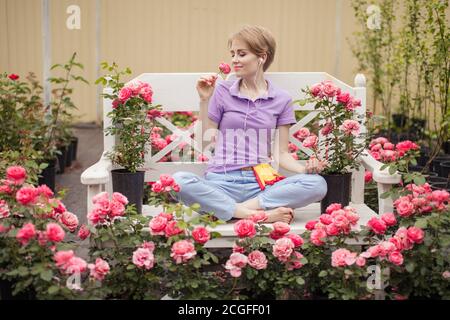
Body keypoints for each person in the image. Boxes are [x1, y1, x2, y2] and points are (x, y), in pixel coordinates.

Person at [172, 25, 328, 223]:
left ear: (262, 56)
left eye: (242, 54)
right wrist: (204, 100)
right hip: (221, 182)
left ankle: (230, 211)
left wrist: (304, 170)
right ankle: (256, 216)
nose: (234, 60)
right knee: (178, 181)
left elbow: (281, 153)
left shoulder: (282, 99)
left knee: (317, 184)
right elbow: (205, 144)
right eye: (233, 54)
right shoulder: (222, 91)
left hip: (261, 186)